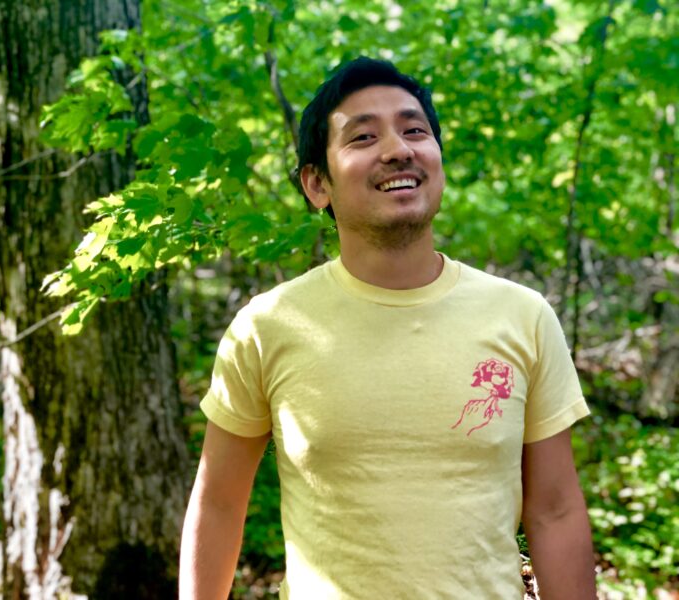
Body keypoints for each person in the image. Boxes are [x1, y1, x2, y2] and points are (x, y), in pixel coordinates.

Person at [179, 56, 597, 599]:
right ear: (316, 185)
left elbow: (555, 511)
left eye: (414, 129)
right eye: (362, 137)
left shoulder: (522, 316)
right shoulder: (269, 325)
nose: (398, 149)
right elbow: (218, 503)